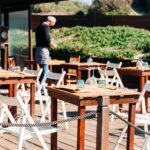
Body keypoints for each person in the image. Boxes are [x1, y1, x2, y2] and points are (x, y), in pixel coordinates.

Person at [35, 16, 57, 93]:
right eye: (54, 23)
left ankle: (41, 88)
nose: (54, 24)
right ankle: (42, 89)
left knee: (42, 70)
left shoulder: (38, 27)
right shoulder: (46, 27)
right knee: (45, 71)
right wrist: (52, 45)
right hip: (43, 50)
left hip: (38, 50)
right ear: (50, 22)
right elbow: (47, 39)